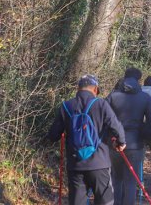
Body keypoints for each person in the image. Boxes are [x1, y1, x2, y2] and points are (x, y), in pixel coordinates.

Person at [47, 75, 126, 205]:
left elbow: (53, 135)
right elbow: (116, 126)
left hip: (76, 165)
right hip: (99, 164)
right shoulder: (101, 104)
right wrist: (121, 142)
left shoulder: (66, 106)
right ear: (95, 89)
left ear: (78, 88)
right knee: (105, 201)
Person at [105, 71, 151, 205]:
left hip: (115, 143)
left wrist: (108, 138)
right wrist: (144, 135)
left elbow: (103, 118)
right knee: (130, 181)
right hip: (135, 144)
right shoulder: (145, 98)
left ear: (124, 77)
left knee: (116, 179)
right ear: (139, 80)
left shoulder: (112, 96)